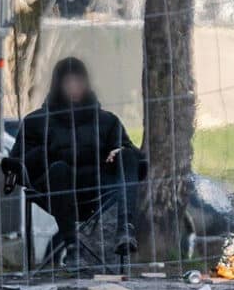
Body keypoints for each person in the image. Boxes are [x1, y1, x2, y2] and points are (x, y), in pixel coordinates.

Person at [9, 57, 142, 264]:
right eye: (68, 82)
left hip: (99, 192)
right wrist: (51, 151)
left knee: (127, 156)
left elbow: (136, 157)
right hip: (54, 192)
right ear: (57, 85)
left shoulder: (107, 121)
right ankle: (72, 247)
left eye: (79, 82)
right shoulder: (35, 122)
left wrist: (119, 150)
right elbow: (18, 163)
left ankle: (125, 230)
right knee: (59, 169)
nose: (74, 88)